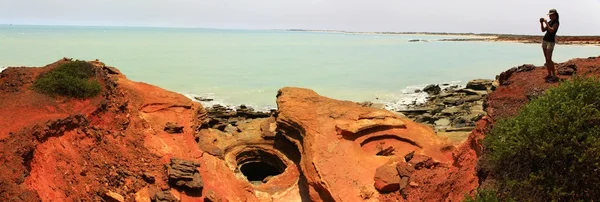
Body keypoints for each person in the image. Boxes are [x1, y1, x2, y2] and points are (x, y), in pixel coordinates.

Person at [540, 9, 560, 81]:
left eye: (552, 15)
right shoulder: (550, 22)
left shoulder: (556, 23)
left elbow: (551, 30)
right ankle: (549, 74)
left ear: (555, 15)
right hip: (545, 40)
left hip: (551, 42)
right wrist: (541, 23)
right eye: (550, 15)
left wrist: (546, 23)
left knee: (549, 58)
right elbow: (543, 30)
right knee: (546, 58)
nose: (550, 16)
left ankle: (554, 75)